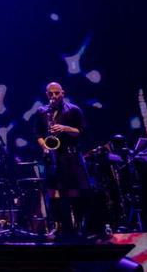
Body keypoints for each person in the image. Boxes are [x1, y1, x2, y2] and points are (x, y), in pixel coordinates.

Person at [36, 81, 88, 236]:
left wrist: (65, 128)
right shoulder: (42, 112)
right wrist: (45, 146)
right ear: (47, 95)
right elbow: (38, 134)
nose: (54, 96)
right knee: (53, 192)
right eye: (50, 93)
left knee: (73, 192)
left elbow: (81, 132)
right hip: (52, 157)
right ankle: (59, 225)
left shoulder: (73, 110)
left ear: (62, 93)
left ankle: (77, 225)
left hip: (70, 156)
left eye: (57, 93)